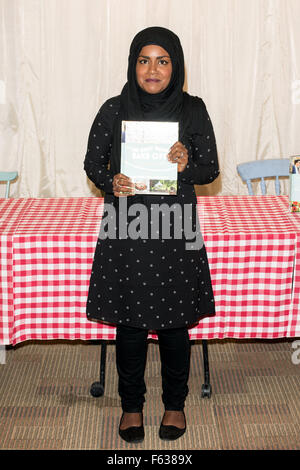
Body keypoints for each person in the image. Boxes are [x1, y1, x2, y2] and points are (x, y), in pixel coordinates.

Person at [84, 26, 219, 443]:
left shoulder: (193, 109)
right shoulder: (113, 108)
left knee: (176, 325)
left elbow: (209, 169)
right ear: (133, 65)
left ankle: (175, 404)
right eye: (144, 60)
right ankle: (131, 406)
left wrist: (185, 165)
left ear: (175, 65)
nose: (153, 69)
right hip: (128, 227)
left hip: (175, 228)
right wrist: (113, 181)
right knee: (130, 324)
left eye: (163, 60)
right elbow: (93, 165)